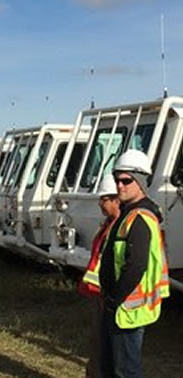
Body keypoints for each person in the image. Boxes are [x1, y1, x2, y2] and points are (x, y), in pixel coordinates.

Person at [99, 149, 170, 378]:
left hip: (127, 310)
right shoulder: (127, 215)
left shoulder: (140, 218)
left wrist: (114, 300)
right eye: (117, 179)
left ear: (140, 181)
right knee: (113, 369)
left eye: (126, 180)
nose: (119, 185)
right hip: (117, 307)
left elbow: (136, 266)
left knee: (126, 372)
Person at [79, 174, 120, 378]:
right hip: (101, 294)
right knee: (98, 346)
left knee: (105, 349)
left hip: (109, 297)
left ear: (116, 199)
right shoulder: (108, 225)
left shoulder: (120, 227)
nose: (100, 205)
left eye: (103, 200)